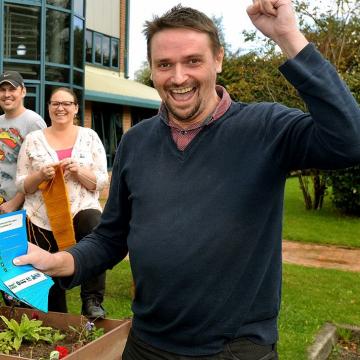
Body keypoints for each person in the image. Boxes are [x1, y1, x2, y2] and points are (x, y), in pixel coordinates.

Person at [14, 1, 360, 359]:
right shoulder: (137, 141)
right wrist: (58, 261)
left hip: (234, 349)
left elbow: (350, 140)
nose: (178, 78)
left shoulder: (265, 128)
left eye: (193, 61)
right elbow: (111, 236)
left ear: (219, 60)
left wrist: (288, 36)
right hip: (147, 343)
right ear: (152, 69)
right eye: (165, 65)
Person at [15, 87, 109, 318]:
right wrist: (39, 176)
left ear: (76, 108)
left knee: (95, 223)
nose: (60, 108)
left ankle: (92, 300)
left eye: (66, 103)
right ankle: (56, 320)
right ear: (48, 108)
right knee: (49, 284)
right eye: (55, 103)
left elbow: (100, 181)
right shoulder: (33, 140)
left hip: (80, 211)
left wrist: (80, 171)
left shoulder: (90, 137)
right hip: (41, 218)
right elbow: (21, 185)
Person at [0, 70, 46, 213]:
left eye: (12, 89)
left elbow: (41, 170)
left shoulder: (34, 122)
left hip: (19, 207)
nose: (7, 94)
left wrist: (15, 203)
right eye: (2, 90)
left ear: (23, 92)